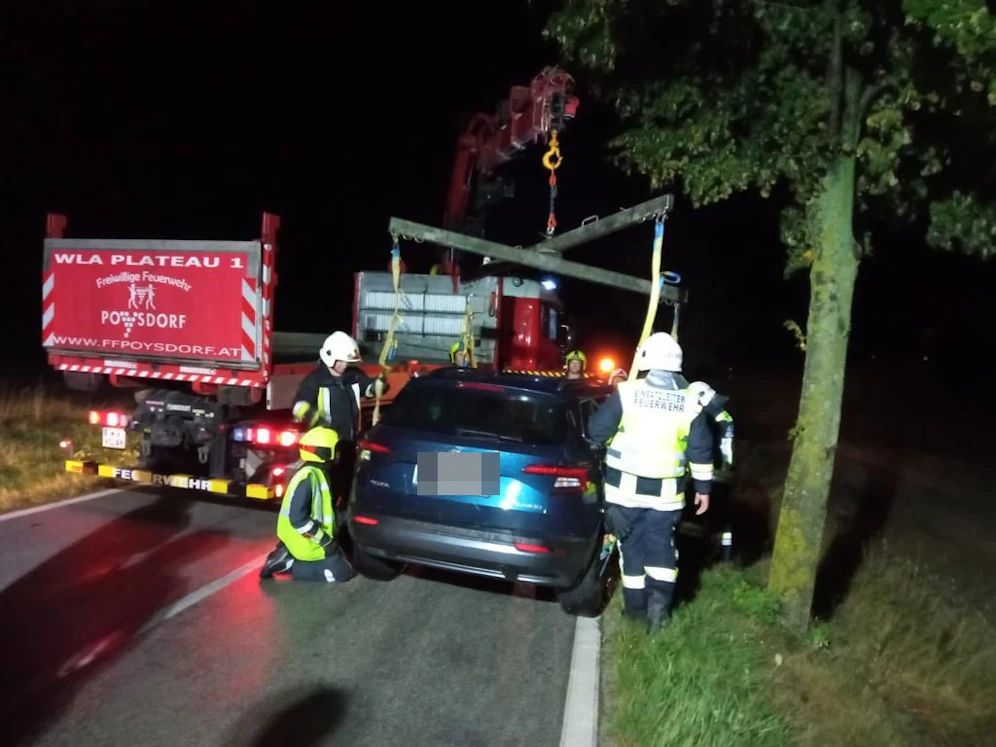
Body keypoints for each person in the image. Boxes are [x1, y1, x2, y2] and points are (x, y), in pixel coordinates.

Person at [587, 332, 714, 632]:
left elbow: (595, 432)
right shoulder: (690, 403)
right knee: (661, 556)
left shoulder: (626, 393)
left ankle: (634, 617)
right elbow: (700, 449)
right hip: (665, 499)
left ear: (644, 360)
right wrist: (705, 490)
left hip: (624, 496)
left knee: (631, 554)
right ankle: (658, 619)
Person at [259, 427, 356, 583]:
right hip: (305, 543)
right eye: (335, 449)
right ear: (324, 452)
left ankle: (287, 556)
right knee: (342, 573)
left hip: (306, 539)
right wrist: (326, 542)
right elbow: (297, 519)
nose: (338, 454)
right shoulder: (309, 478)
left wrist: (347, 517)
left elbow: (323, 513)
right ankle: (286, 564)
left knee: (346, 564)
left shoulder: (316, 473)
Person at [686, 381, 736, 561]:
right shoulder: (724, 417)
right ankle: (723, 558)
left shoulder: (701, 416)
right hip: (724, 474)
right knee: (721, 520)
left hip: (703, 474)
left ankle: (693, 556)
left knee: (695, 519)